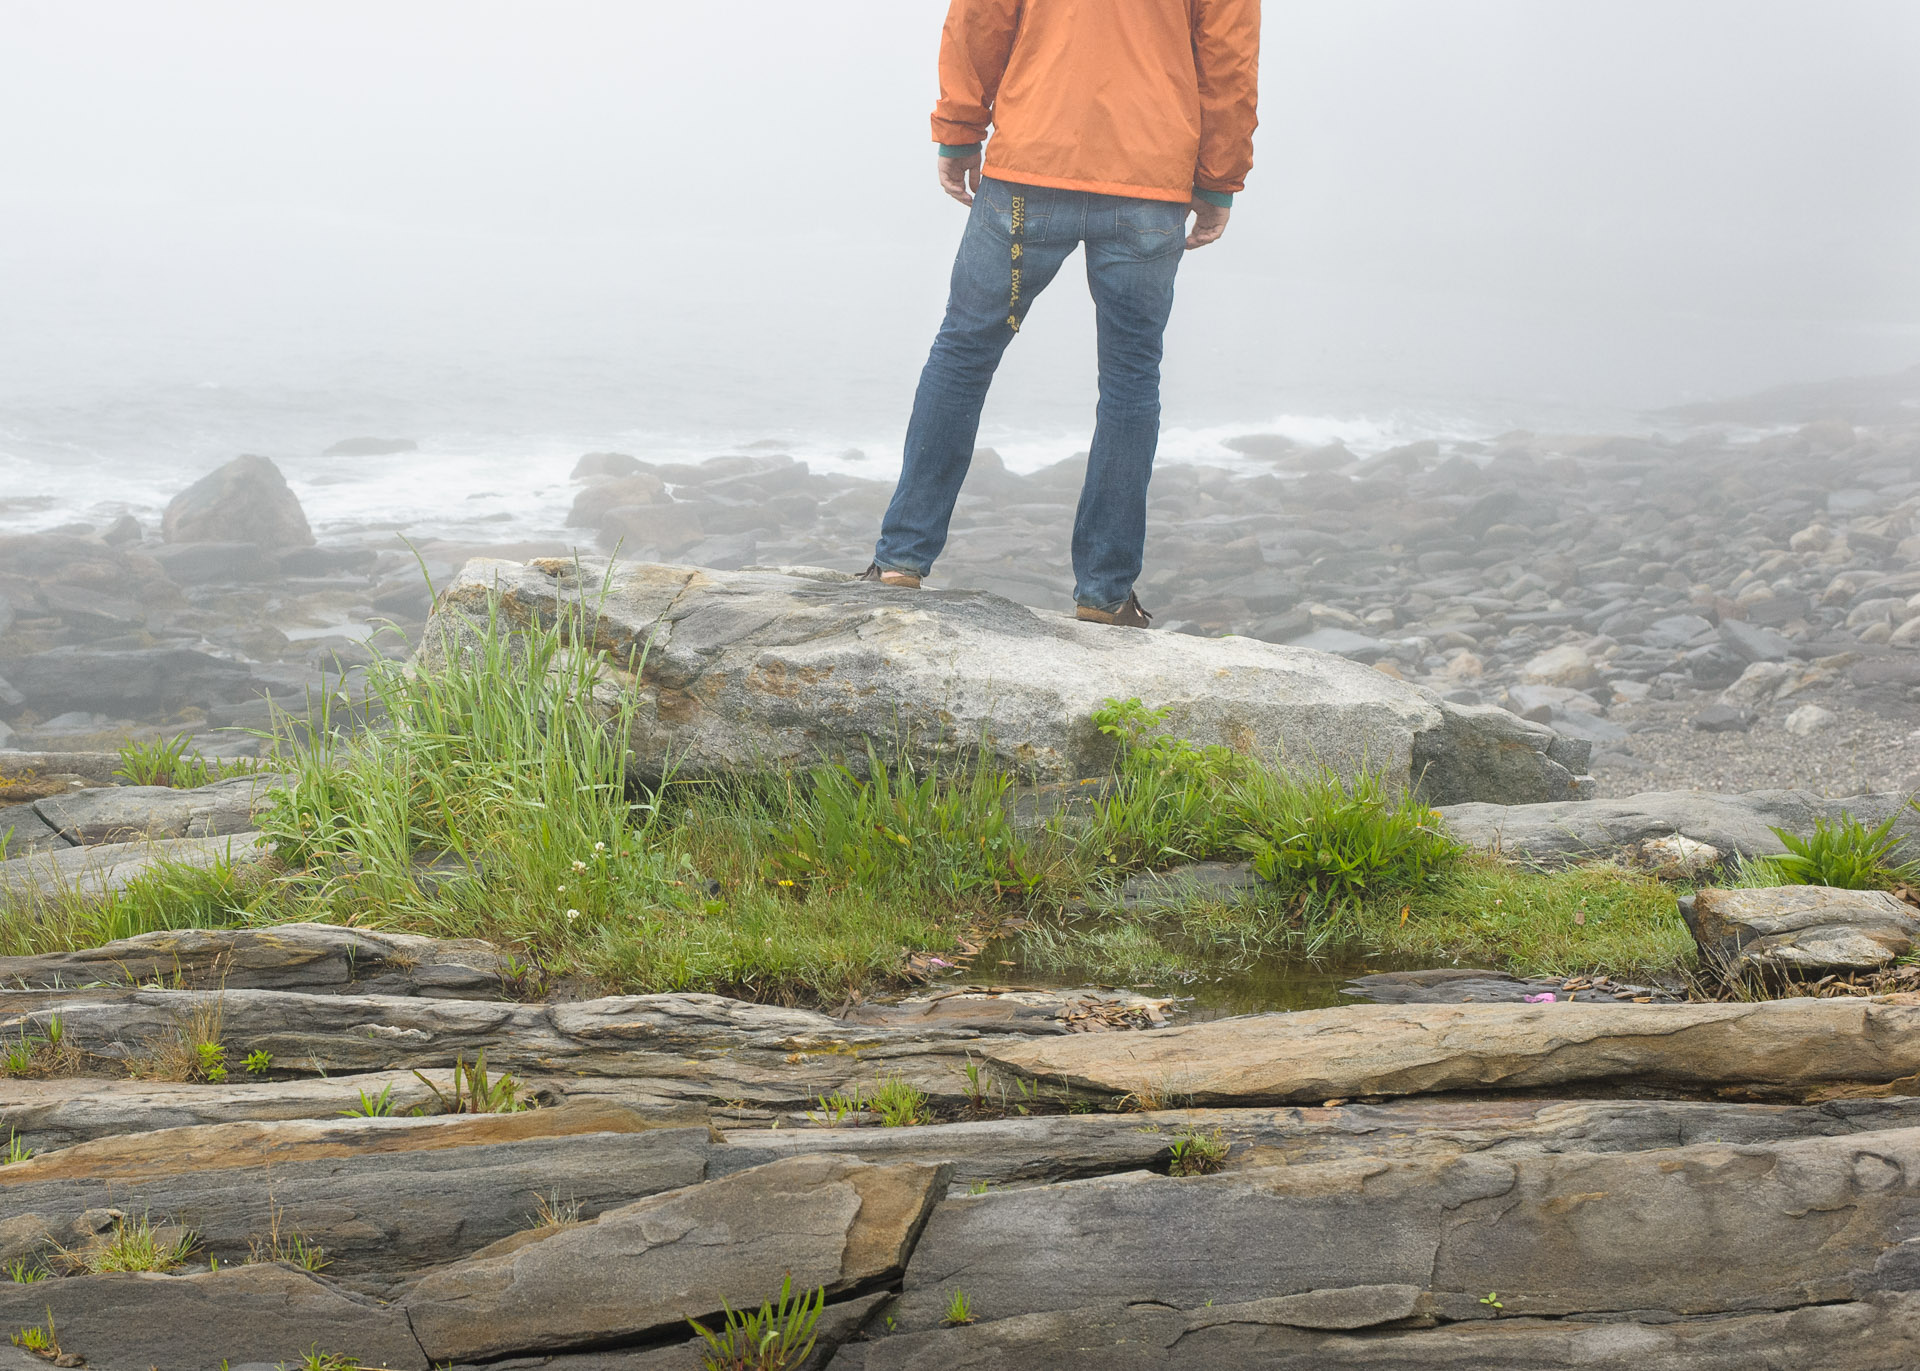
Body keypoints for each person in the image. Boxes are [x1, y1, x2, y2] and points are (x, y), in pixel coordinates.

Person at [862, 0, 1260, 628]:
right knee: (1130, 383)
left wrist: (960, 130)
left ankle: (900, 561)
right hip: (1149, 189)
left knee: (964, 354)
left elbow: (978, 20)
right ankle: (1103, 593)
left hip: (1028, 177)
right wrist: (1219, 179)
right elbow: (1228, 62)